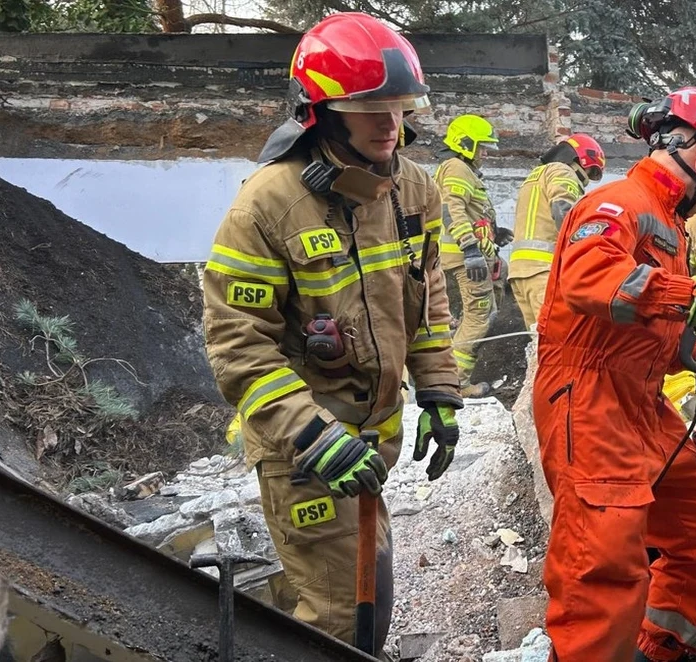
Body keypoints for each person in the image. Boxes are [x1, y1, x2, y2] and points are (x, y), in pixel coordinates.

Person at [202, 12, 462, 648]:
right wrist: (313, 436)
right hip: (306, 454)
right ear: (320, 111)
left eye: (399, 107)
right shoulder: (267, 204)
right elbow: (237, 347)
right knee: (345, 619)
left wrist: (439, 392)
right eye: (369, 107)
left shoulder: (414, 189)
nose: (390, 124)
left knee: (357, 594)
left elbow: (425, 303)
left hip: (371, 446)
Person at [533, 86, 696, 661]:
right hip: (588, 400)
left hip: (637, 399)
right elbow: (593, 282)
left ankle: (655, 649)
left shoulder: (671, 228)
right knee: (603, 568)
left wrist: (692, 354)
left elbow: (640, 327)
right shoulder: (619, 202)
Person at [509, 133, 606, 329]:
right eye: (591, 171)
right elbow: (563, 209)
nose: (587, 179)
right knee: (555, 336)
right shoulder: (563, 172)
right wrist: (586, 253)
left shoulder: (534, 176)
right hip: (543, 268)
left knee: (538, 340)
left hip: (520, 271)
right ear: (581, 159)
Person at [435, 114, 500, 396]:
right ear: (465, 143)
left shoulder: (461, 169)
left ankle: (451, 380)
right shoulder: (457, 167)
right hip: (464, 260)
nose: (485, 153)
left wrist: (495, 232)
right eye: (482, 146)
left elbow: (469, 212)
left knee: (476, 316)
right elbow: (451, 208)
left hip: (464, 258)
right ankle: (454, 383)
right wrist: (470, 247)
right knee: (478, 316)